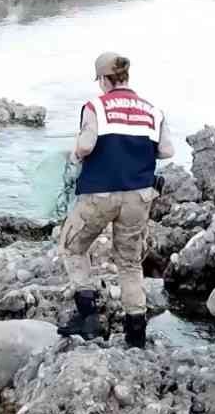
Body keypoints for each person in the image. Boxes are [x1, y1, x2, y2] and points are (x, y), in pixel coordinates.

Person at [57, 52, 174, 348]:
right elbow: (167, 151)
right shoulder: (153, 111)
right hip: (139, 196)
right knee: (130, 263)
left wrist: (75, 153)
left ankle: (89, 317)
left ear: (104, 79)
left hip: (100, 193)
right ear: (126, 76)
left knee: (72, 246)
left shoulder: (95, 106)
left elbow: (86, 145)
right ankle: (136, 334)